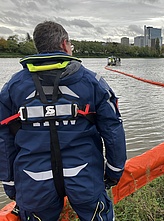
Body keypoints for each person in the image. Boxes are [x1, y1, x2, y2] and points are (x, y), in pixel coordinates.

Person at [0, 21, 127, 221]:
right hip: (84, 175)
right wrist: (114, 170)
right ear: (64, 44)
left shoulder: (13, 87)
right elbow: (112, 129)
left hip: (34, 179)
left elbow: (4, 138)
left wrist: (8, 181)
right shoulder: (91, 82)